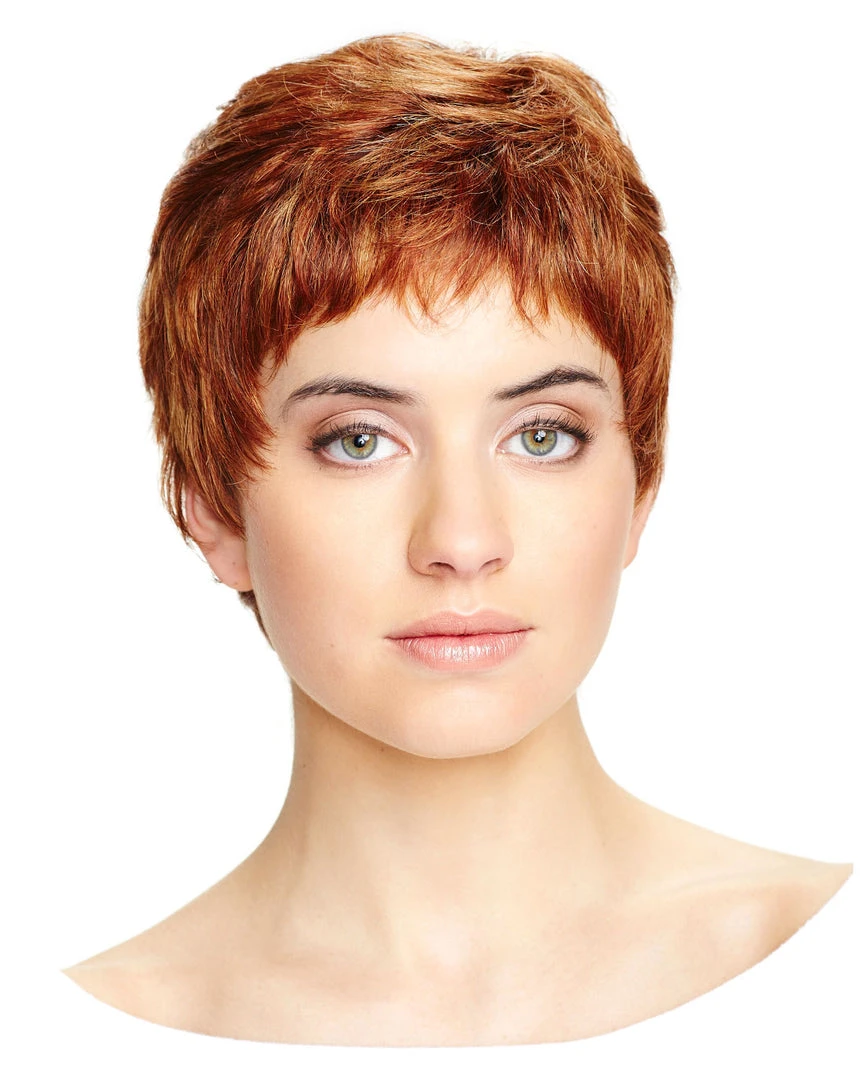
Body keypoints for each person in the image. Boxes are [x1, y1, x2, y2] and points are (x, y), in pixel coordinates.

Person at [58, 32, 852, 1049]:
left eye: (542, 435)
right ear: (213, 508)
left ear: (641, 482)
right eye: (358, 440)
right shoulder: (73, 1042)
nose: (463, 541)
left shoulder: (831, 975)